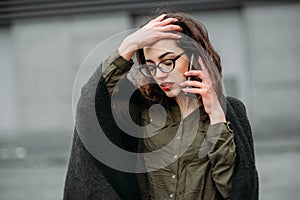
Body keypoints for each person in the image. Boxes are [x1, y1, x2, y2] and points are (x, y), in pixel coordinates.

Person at [63, 12, 259, 200]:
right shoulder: (142, 109)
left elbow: (234, 189)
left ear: (194, 58)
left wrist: (216, 116)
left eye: (167, 62)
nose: (159, 74)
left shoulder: (230, 111)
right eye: (150, 65)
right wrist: (130, 44)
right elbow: (94, 101)